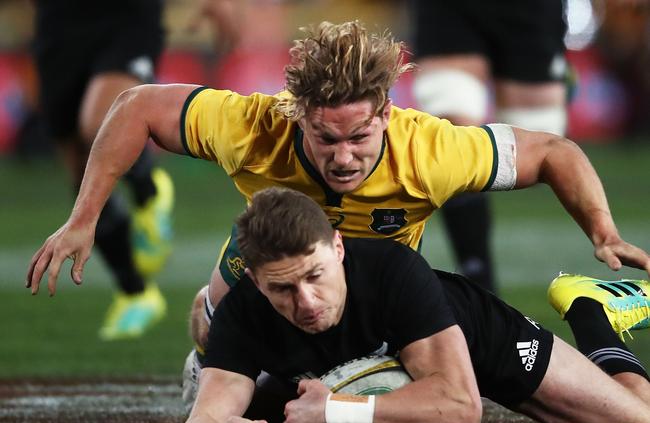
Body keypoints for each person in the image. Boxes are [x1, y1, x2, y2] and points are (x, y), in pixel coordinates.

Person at [25, 21, 650, 361]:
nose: (344, 158)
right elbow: (135, 106)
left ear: (384, 111)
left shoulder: (430, 149)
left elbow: (555, 152)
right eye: (325, 138)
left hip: (380, 281)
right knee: (210, 329)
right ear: (297, 114)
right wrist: (84, 217)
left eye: (359, 137)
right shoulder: (251, 126)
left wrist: (603, 229)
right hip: (272, 260)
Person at [179, 187, 650, 423]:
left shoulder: (395, 272)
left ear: (338, 249)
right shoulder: (243, 311)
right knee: (260, 418)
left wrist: (334, 411)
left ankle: (592, 309)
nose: (305, 301)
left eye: (315, 276)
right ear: (257, 283)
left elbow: (462, 411)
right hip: (325, 377)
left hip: (469, 343)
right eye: (282, 289)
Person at [31, 0, 174, 340]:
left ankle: (147, 191)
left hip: (126, 16)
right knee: (81, 171)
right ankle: (136, 293)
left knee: (99, 123)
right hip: (57, 24)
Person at [411, 0, 570, 292]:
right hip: (451, 8)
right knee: (452, 135)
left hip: (531, 11)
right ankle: (479, 282)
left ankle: (561, 78)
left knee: (543, 143)